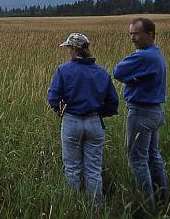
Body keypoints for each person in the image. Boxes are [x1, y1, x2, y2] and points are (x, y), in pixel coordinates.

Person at [48, 32, 119, 205]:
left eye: (68, 48)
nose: (68, 51)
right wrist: (100, 113)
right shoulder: (101, 72)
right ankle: (96, 209)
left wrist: (59, 110)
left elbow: (52, 97)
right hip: (95, 122)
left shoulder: (63, 70)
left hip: (71, 121)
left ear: (73, 49)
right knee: (94, 170)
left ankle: (73, 208)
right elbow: (113, 102)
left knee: (72, 168)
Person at [113, 17, 168, 208]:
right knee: (153, 157)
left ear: (150, 34)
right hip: (154, 112)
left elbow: (118, 71)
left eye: (136, 34)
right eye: (131, 34)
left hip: (141, 113)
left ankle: (148, 206)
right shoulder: (156, 53)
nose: (133, 38)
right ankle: (163, 201)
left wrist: (131, 79)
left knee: (137, 160)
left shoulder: (144, 56)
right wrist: (135, 78)